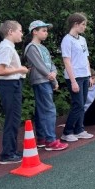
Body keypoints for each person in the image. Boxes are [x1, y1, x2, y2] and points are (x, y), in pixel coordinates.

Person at [24, 20, 68, 151]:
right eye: (43, 30)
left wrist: (54, 74)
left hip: (46, 80)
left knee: (42, 109)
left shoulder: (43, 47)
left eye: (47, 30)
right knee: (49, 110)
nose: (46, 33)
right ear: (34, 32)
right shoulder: (31, 47)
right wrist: (52, 79)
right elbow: (40, 66)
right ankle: (51, 140)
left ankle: (43, 138)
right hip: (41, 81)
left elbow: (50, 64)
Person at [0, 20, 29, 164]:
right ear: (10, 32)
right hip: (10, 85)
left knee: (13, 118)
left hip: (10, 84)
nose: (21, 33)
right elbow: (0, 70)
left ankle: (11, 151)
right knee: (12, 119)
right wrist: (21, 70)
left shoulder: (6, 47)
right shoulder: (6, 47)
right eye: (20, 30)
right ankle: (7, 154)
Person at [61, 12, 94, 142]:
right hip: (74, 77)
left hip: (85, 75)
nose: (84, 27)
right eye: (83, 24)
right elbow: (67, 61)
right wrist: (73, 81)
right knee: (78, 104)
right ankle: (67, 131)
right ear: (75, 24)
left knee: (83, 103)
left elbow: (86, 58)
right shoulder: (67, 40)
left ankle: (79, 129)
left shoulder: (82, 39)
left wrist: (90, 75)